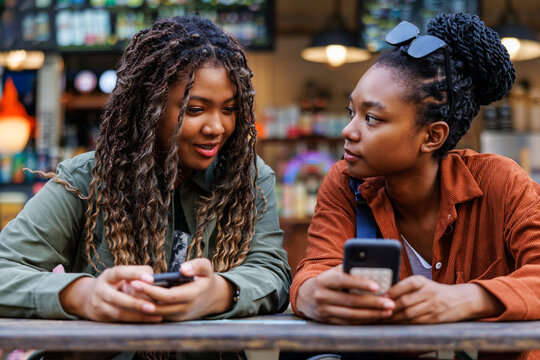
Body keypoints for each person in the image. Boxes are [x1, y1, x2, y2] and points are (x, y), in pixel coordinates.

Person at [0, 15, 291, 359]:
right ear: (148, 107)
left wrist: (221, 292)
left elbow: (271, 271)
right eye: (195, 109)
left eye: (229, 109)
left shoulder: (249, 178)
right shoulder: (88, 177)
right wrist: (84, 294)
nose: (217, 127)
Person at [290, 13, 540, 360]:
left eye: (372, 118)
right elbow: (315, 269)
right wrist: (313, 293)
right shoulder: (345, 183)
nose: (349, 130)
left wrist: (463, 299)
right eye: (352, 112)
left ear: (432, 136)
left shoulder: (501, 183)